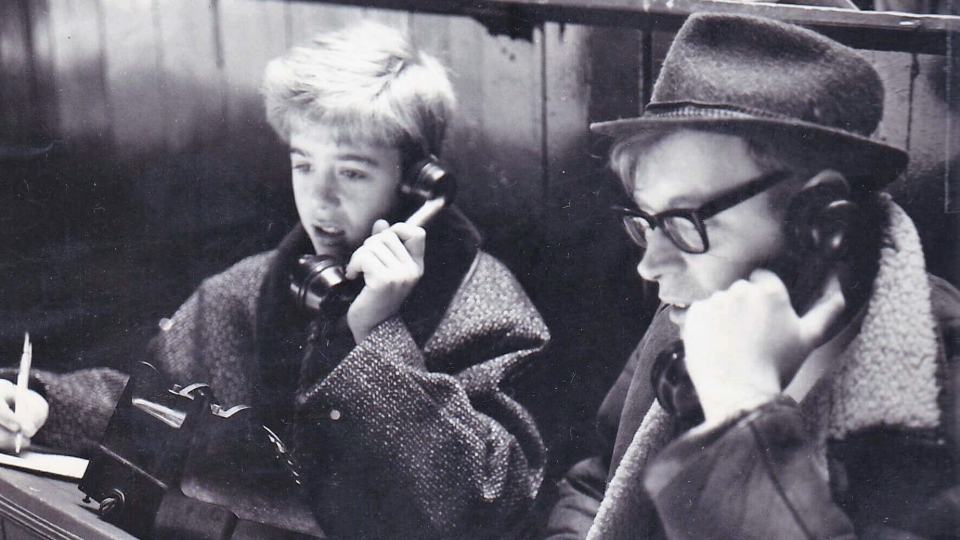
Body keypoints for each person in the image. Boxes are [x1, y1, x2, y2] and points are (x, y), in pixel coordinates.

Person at [1, 21, 550, 539]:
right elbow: (162, 400)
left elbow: (488, 501)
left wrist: (377, 340)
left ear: (416, 185)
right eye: (304, 164)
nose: (320, 199)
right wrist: (47, 405)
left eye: (353, 171)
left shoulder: (487, 310)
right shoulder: (249, 289)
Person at [545, 13, 960, 540]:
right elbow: (596, 485)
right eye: (648, 222)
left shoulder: (942, 384)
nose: (650, 266)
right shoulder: (694, 314)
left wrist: (742, 414)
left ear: (821, 221)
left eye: (685, 221)